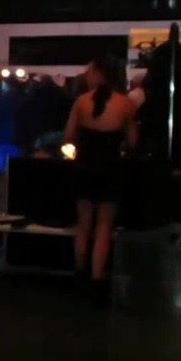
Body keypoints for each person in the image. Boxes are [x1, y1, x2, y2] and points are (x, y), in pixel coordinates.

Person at [63, 57, 137, 297]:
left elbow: (68, 137)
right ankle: (97, 281)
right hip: (111, 169)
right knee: (104, 226)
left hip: (84, 166)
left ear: (97, 73)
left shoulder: (81, 102)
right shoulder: (125, 104)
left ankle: (79, 274)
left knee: (83, 224)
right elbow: (132, 142)